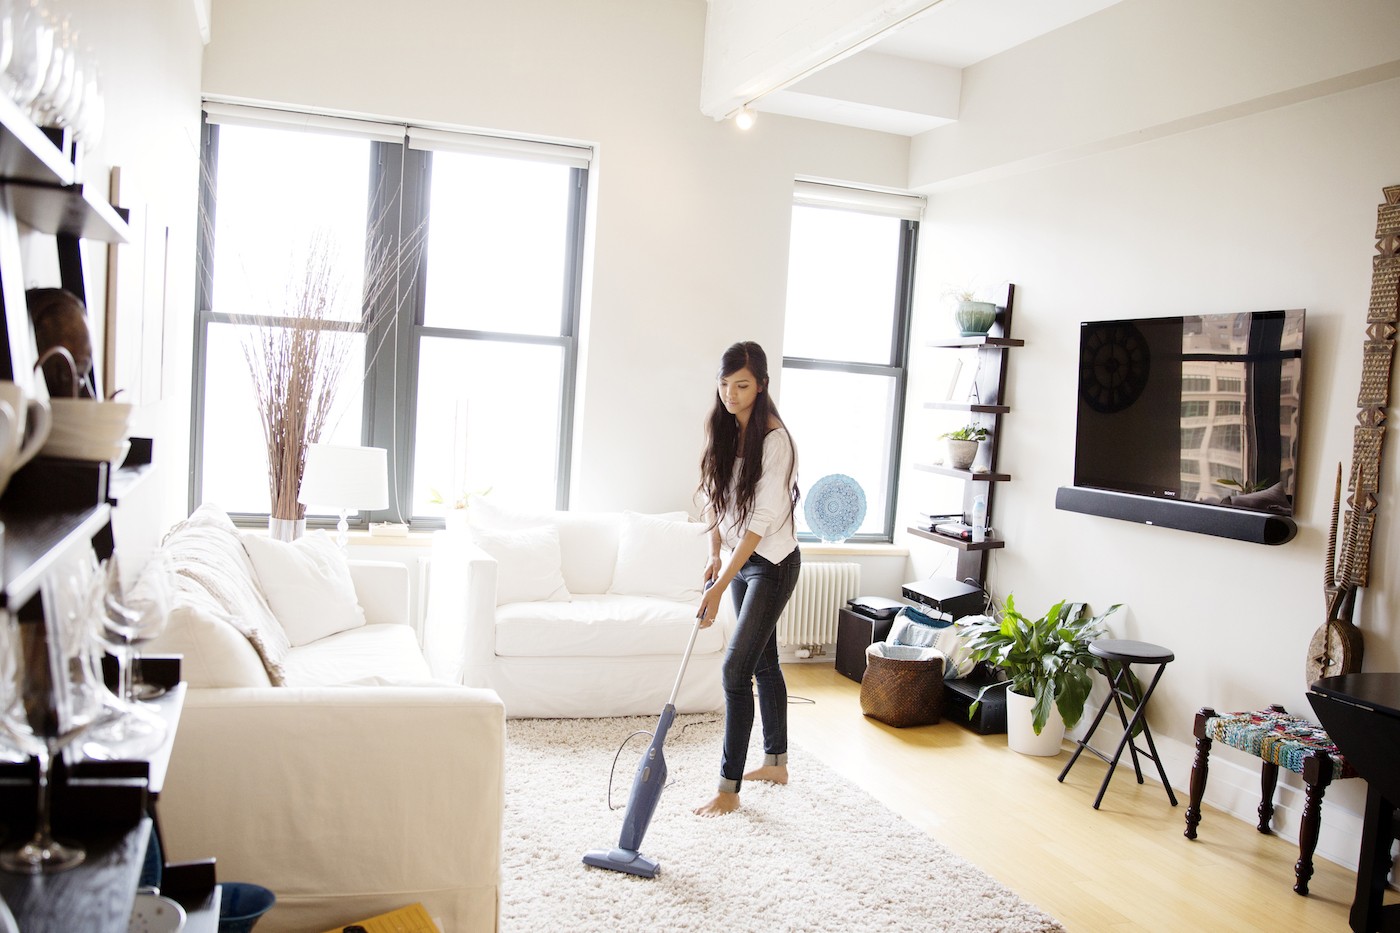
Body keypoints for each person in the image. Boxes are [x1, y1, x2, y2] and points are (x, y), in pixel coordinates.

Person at [693, 341, 801, 817]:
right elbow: (714, 498)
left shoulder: (775, 440)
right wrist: (715, 555)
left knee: (735, 670)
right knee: (763, 663)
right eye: (724, 384)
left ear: (761, 386)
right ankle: (775, 762)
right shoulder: (721, 428)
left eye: (741, 385)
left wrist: (718, 589)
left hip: (772, 562)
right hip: (739, 559)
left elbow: (758, 523)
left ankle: (728, 789)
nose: (730, 394)